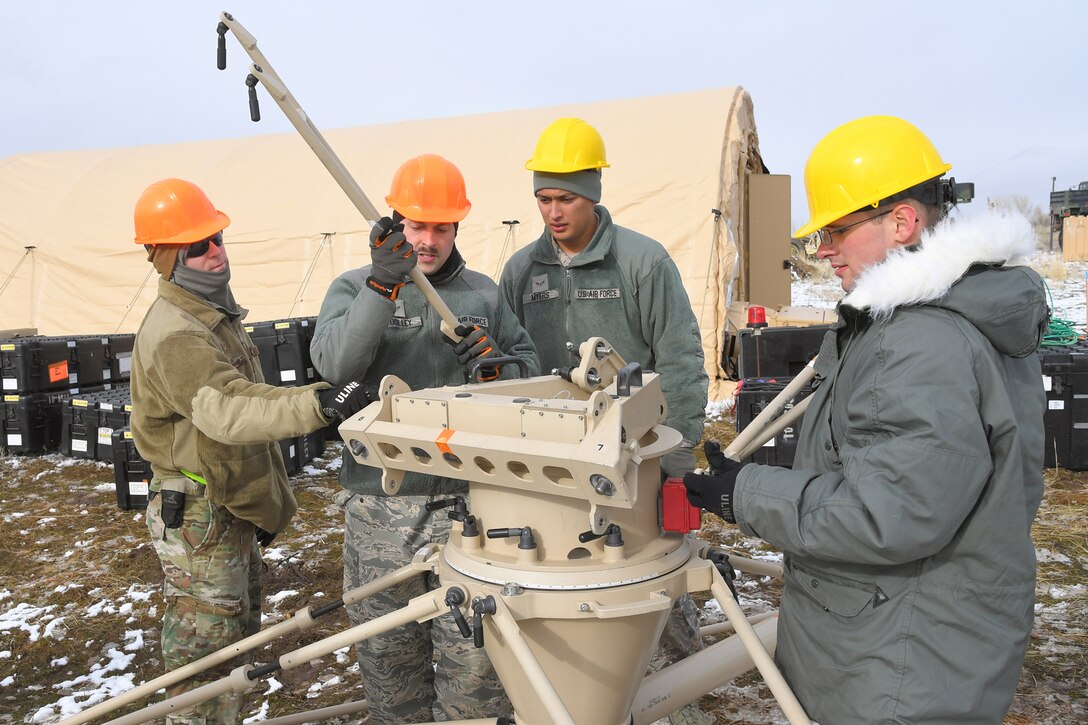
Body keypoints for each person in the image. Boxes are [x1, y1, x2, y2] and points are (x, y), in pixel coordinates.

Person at [684, 115, 1048, 724]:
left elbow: (889, 514)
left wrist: (742, 492)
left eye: (837, 229)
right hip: (917, 638)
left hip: (895, 664)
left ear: (902, 223)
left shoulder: (917, 342)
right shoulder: (948, 319)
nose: (821, 249)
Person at [130, 178, 372, 725]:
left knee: (235, 647)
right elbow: (230, 409)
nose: (214, 252)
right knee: (207, 667)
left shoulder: (209, 314)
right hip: (199, 515)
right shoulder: (178, 334)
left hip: (224, 507)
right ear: (167, 259)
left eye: (216, 238)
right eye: (197, 246)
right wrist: (320, 403)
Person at [310, 153, 539, 723]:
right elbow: (335, 363)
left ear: (458, 226)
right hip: (382, 507)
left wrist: (499, 369)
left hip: (473, 508)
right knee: (392, 674)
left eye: (441, 226)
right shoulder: (352, 288)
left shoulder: (483, 296)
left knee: (478, 678)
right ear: (394, 223)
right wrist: (380, 289)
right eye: (417, 226)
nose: (429, 240)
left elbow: (531, 381)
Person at [498, 117, 710, 723]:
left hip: (638, 459)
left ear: (593, 193)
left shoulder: (642, 263)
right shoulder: (522, 273)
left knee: (659, 593)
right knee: (567, 594)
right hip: (553, 465)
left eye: (566, 198)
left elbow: (681, 358)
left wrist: (675, 459)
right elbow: (516, 366)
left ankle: (678, 705)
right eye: (543, 198)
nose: (553, 212)